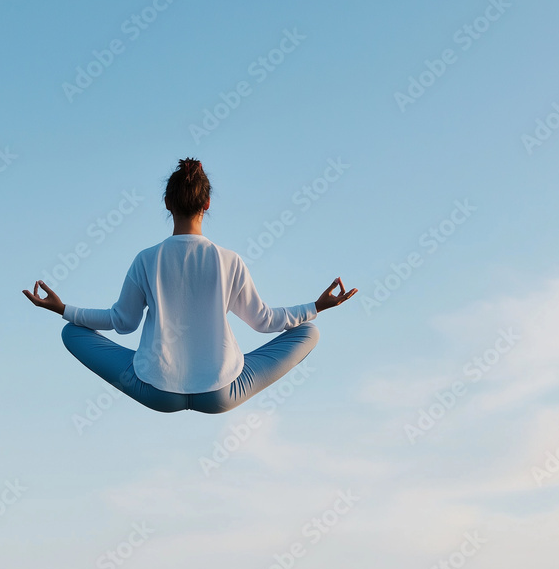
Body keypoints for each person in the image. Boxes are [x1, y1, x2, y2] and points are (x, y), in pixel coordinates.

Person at [23, 157, 357, 413]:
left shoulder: (146, 259)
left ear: (167, 203)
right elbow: (264, 322)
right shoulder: (230, 260)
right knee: (309, 330)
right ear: (207, 204)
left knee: (71, 331)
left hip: (156, 390)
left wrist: (64, 309)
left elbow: (122, 323)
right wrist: (316, 307)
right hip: (221, 391)